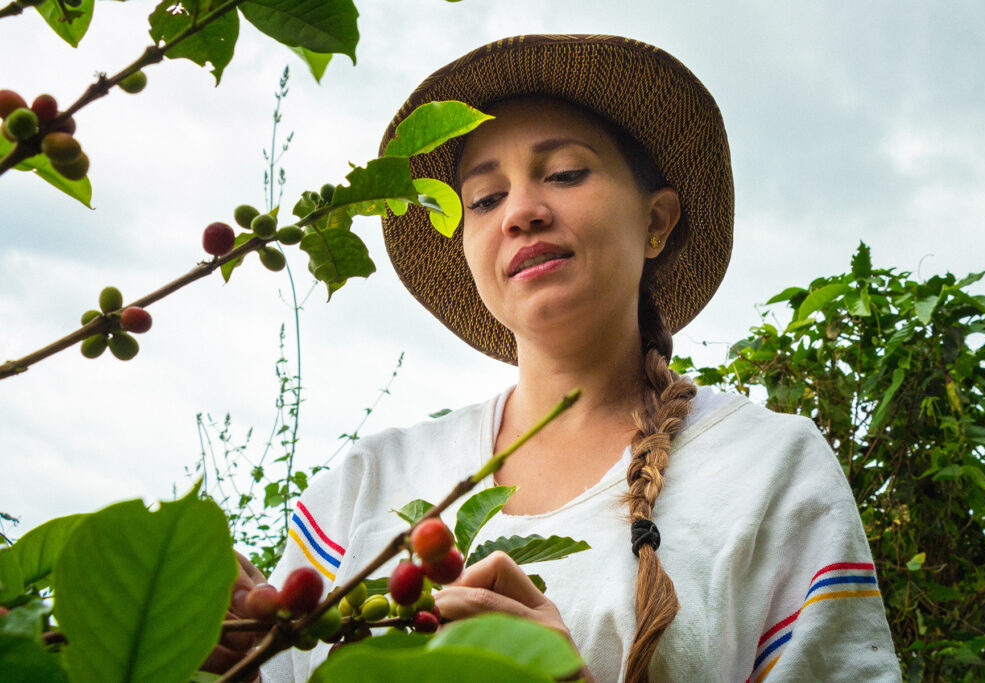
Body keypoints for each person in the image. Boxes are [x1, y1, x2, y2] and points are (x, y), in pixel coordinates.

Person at [218, 35, 901, 682]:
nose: (520, 212)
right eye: (485, 199)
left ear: (657, 221)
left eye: (566, 173)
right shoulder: (370, 483)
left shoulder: (768, 469)